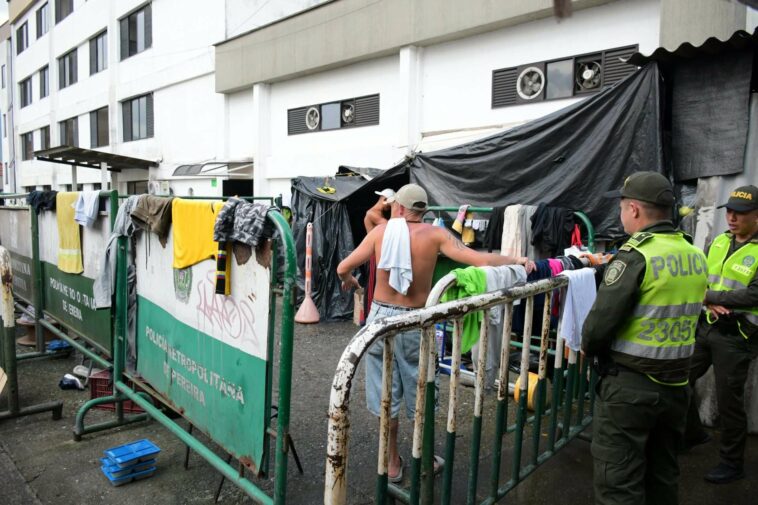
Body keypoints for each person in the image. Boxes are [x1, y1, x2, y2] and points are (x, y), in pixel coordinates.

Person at [337, 183, 535, 482]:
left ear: (399, 208)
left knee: (385, 395)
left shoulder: (380, 233)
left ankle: (391, 464)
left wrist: (351, 280)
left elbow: (342, 267)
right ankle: (425, 459)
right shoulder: (436, 235)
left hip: (378, 321)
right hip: (415, 321)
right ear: (423, 211)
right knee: (421, 390)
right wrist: (516, 261)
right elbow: (480, 260)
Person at [581, 171, 708, 505]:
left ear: (634, 209)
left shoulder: (636, 255)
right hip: (677, 385)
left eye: (622, 206)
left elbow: (597, 328)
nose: (621, 214)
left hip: (631, 388)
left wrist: (588, 350)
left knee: (619, 484)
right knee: (663, 477)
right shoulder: (693, 253)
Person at [685, 184, 758, 484]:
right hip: (707, 326)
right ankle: (691, 433)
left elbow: (754, 295)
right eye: (729, 212)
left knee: (729, 401)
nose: (731, 218)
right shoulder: (718, 242)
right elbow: (701, 279)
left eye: (740, 213)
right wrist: (709, 299)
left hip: (737, 335)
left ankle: (732, 463)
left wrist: (712, 297)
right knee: (678, 379)